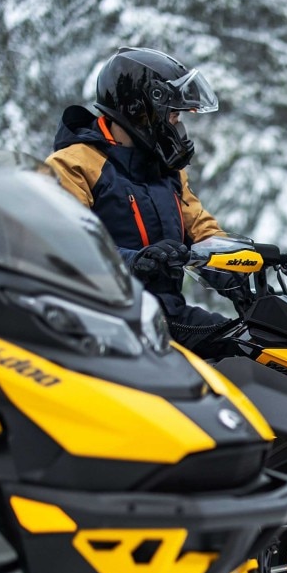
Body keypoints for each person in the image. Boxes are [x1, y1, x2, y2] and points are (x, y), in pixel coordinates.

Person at [45, 47, 237, 355]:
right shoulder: (73, 164)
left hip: (165, 318)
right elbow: (67, 246)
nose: (177, 127)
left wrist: (238, 267)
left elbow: (202, 228)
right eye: (173, 116)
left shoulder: (164, 169)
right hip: (104, 327)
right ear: (140, 109)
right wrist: (134, 261)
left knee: (256, 346)